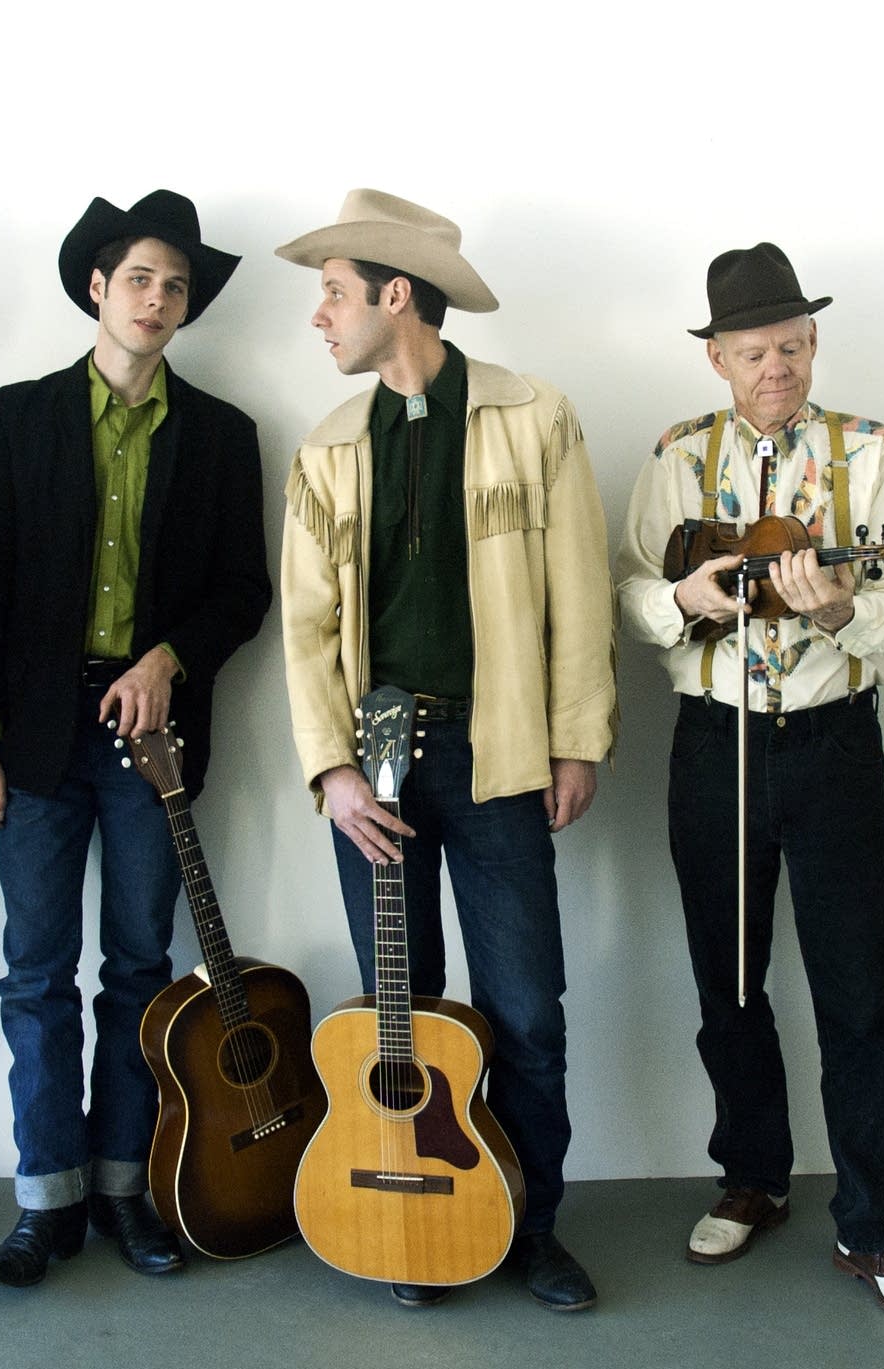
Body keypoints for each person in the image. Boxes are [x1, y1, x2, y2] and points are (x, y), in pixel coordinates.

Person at [276, 189, 614, 1311]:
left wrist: (578, 740)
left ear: (394, 294)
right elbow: (307, 625)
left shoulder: (533, 416)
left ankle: (534, 1227)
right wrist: (327, 768)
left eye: (332, 295)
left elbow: (578, 592)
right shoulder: (326, 448)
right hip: (372, 758)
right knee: (398, 1004)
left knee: (525, 1008)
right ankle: (414, 1215)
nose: (319, 318)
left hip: (501, 750)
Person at [615, 243, 884, 1323]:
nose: (777, 368)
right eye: (754, 351)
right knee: (731, 982)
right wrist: (692, 601)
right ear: (716, 358)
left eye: (793, 347)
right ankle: (750, 1177)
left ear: (813, 345)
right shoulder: (674, 455)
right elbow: (633, 589)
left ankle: (873, 1222)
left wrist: (840, 607)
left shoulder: (871, 453)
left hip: (832, 745)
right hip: (715, 745)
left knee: (858, 992)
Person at [0, 190, 270, 1287]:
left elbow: (246, 590)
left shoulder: (224, 435)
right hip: (38, 737)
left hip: (156, 738)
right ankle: (45, 1201)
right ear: (96, 287)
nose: (156, 299)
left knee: (139, 969)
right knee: (35, 970)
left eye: (174, 285)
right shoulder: (18, 416)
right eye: (138, 278)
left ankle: (126, 1190)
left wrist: (166, 661)